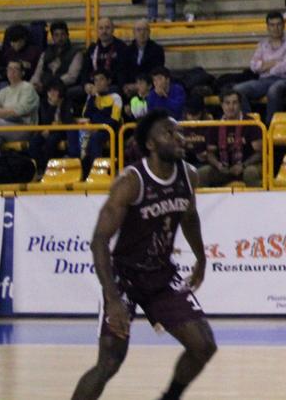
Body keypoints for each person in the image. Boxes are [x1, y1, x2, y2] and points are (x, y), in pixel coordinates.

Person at [70, 109, 216, 400]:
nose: (178, 138)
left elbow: (189, 216)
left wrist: (201, 257)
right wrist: (112, 298)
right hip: (124, 277)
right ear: (150, 144)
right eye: (169, 133)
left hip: (161, 275)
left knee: (203, 346)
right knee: (110, 362)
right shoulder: (131, 182)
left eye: (179, 132)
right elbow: (99, 240)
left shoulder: (188, 175)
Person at [233, 12, 286, 122]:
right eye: (272, 25)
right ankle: (250, 124)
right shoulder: (262, 45)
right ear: (267, 27)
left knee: (273, 91)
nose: (275, 28)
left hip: (285, 79)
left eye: (278, 24)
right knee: (237, 90)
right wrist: (275, 62)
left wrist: (265, 66)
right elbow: (253, 66)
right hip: (263, 80)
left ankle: (271, 128)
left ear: (284, 25)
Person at [197, 90, 263, 188]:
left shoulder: (251, 123)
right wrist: (218, 165)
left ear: (240, 105)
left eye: (234, 103)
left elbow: (260, 153)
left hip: (247, 166)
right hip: (224, 169)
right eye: (227, 103)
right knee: (201, 173)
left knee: (250, 173)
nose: (231, 107)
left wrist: (243, 165)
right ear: (222, 105)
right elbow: (210, 153)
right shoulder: (215, 126)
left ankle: (257, 202)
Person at [0, 60, 39, 159]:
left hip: (24, 128)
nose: (12, 72)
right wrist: (10, 111)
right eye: (9, 69)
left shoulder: (27, 88)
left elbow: (22, 110)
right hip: (4, 126)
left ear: (22, 73)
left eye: (16, 69)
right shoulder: (3, 91)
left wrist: (2, 111)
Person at [74, 70, 123, 174]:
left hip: (109, 130)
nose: (98, 83)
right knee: (76, 134)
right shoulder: (93, 97)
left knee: (95, 138)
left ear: (108, 81)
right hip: (93, 129)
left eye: (101, 79)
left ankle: (97, 171)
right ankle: (80, 171)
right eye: (95, 80)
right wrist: (92, 96)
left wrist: (98, 128)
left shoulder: (115, 97)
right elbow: (86, 115)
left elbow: (114, 120)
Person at [26, 79, 73, 172]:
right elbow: (45, 120)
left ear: (60, 91)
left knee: (51, 141)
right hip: (46, 130)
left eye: (55, 90)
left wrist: (51, 130)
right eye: (49, 91)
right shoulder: (43, 103)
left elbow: (67, 121)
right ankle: (38, 168)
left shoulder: (67, 102)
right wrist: (52, 106)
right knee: (34, 142)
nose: (52, 93)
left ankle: (48, 168)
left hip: (62, 131)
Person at [32, 20, 83, 94]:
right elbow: (37, 73)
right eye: (56, 35)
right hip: (43, 87)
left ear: (67, 35)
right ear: (52, 37)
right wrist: (34, 84)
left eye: (62, 34)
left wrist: (49, 85)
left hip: (63, 88)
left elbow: (71, 77)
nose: (60, 38)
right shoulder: (46, 52)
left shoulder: (76, 53)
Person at [121, 19, 165, 97]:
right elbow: (123, 70)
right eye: (139, 30)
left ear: (149, 32)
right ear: (134, 33)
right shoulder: (126, 51)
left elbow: (157, 71)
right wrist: (126, 85)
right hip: (130, 87)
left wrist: (140, 85)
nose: (142, 33)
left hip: (149, 87)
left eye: (145, 30)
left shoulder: (157, 50)